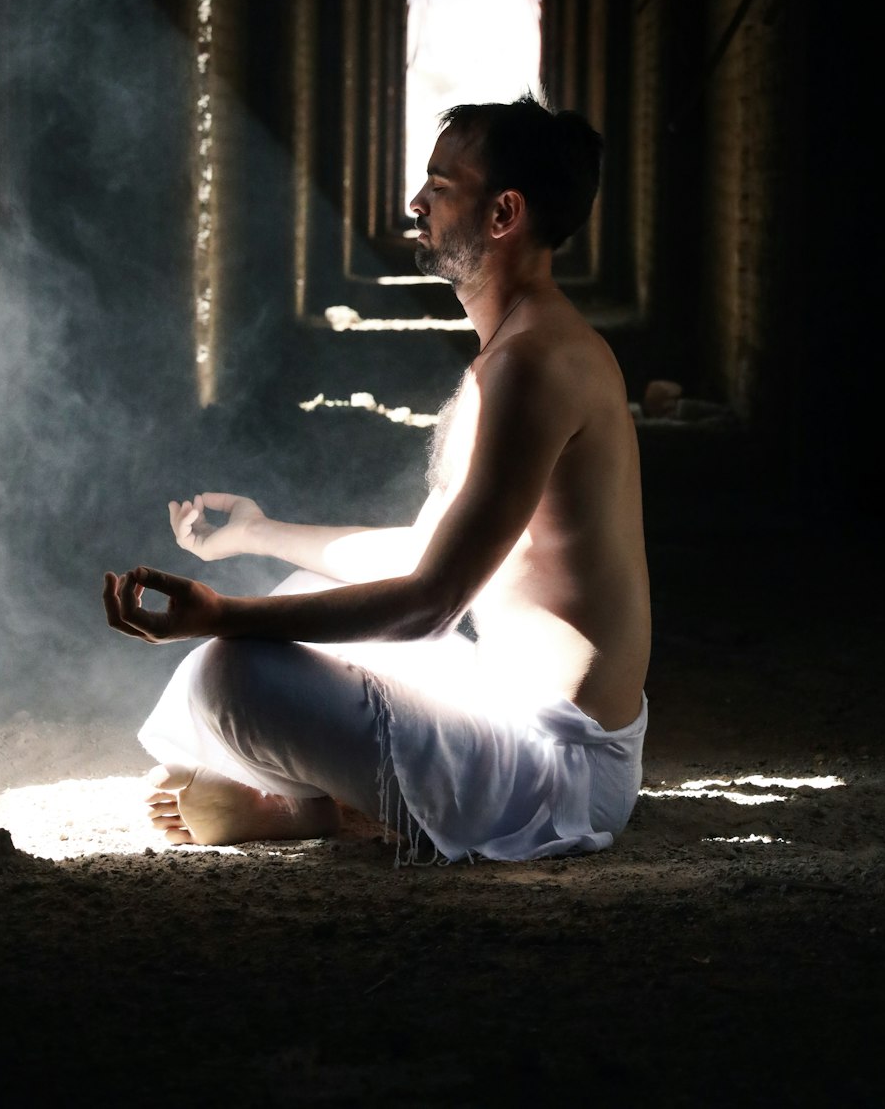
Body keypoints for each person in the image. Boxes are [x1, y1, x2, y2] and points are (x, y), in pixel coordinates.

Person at [103, 93, 651, 861]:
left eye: (440, 186)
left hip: (554, 770)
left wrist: (219, 614)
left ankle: (315, 805)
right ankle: (320, 799)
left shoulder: (538, 366)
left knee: (233, 667)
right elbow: (424, 553)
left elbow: (427, 605)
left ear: (504, 215)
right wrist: (258, 536)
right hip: (498, 705)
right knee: (295, 604)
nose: (415, 204)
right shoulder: (515, 352)